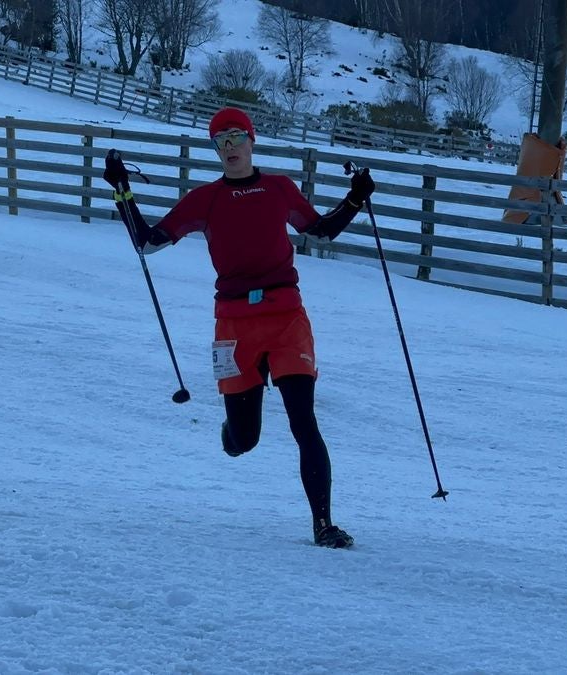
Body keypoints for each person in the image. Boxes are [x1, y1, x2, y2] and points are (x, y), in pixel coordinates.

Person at [103, 106, 375, 549]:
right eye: (220, 140)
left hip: (286, 317)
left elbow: (322, 231)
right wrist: (123, 191)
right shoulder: (205, 199)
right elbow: (148, 244)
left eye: (236, 136)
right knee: (245, 439)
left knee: (304, 421)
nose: (229, 146)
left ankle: (323, 524)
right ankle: (231, 434)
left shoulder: (279, 188)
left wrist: (356, 199)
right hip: (233, 325)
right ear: (216, 149)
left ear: (252, 141)